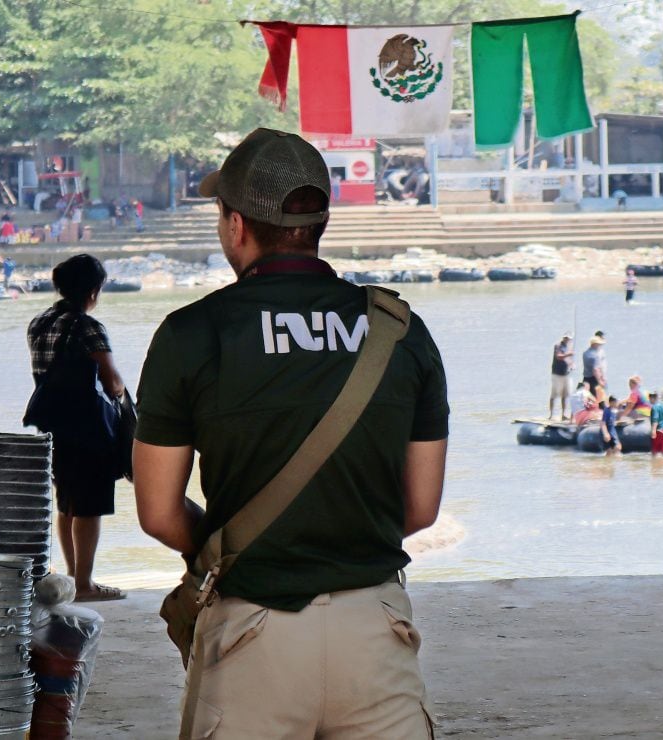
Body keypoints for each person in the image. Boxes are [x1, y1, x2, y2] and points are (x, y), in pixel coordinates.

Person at [133, 128, 448, 737]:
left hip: (253, 633)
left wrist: (242, 546)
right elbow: (420, 506)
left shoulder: (191, 334)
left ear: (234, 225)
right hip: (376, 631)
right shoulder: (399, 329)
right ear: (317, 223)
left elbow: (157, 511)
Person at [27, 254, 127, 602]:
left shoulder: (39, 323)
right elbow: (111, 380)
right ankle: (84, 584)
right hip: (87, 429)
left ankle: (74, 578)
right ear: (93, 290)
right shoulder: (87, 326)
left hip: (52, 425)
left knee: (67, 502)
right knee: (89, 505)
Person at [549, 333, 575, 420]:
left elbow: (569, 360)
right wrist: (568, 354)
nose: (567, 339)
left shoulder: (568, 347)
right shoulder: (558, 346)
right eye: (566, 338)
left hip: (565, 374)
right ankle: (551, 415)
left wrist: (571, 365)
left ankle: (563, 415)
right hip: (557, 374)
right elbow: (559, 356)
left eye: (568, 338)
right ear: (563, 337)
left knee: (565, 395)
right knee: (554, 395)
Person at [648, 391, 663, 457]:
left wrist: (653, 430)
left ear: (652, 398)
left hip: (658, 430)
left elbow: (655, 419)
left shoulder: (654, 407)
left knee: (655, 452)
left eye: (650, 399)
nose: (649, 400)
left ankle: (654, 465)